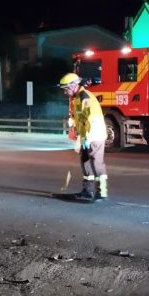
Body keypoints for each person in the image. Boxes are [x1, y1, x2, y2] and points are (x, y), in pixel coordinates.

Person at [59, 72, 108, 202]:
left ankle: (101, 192)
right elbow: (79, 118)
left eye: (66, 89)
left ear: (74, 85)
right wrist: (76, 131)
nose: (64, 92)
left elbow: (89, 118)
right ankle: (87, 190)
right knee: (85, 162)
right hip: (85, 136)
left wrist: (86, 136)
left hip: (95, 135)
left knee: (96, 163)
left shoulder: (84, 97)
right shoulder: (76, 98)